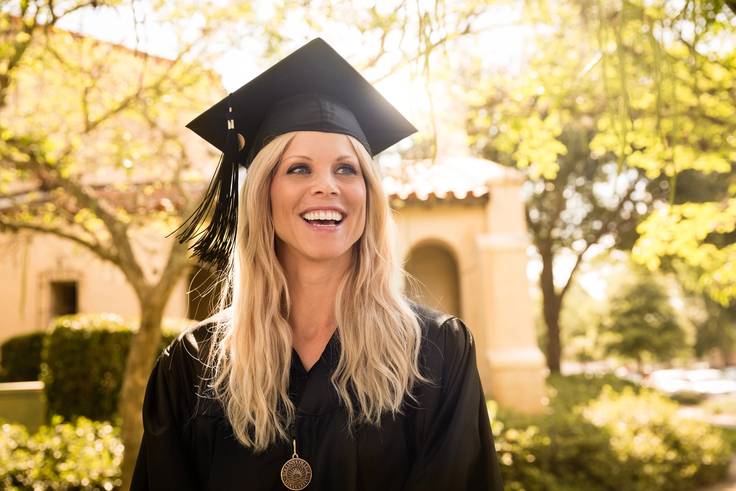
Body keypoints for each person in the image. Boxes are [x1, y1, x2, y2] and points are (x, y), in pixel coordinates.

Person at [131, 38, 504, 491]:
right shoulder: (193, 366)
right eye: (299, 169)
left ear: (368, 193)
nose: (326, 186)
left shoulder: (437, 354)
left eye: (346, 169)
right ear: (263, 193)